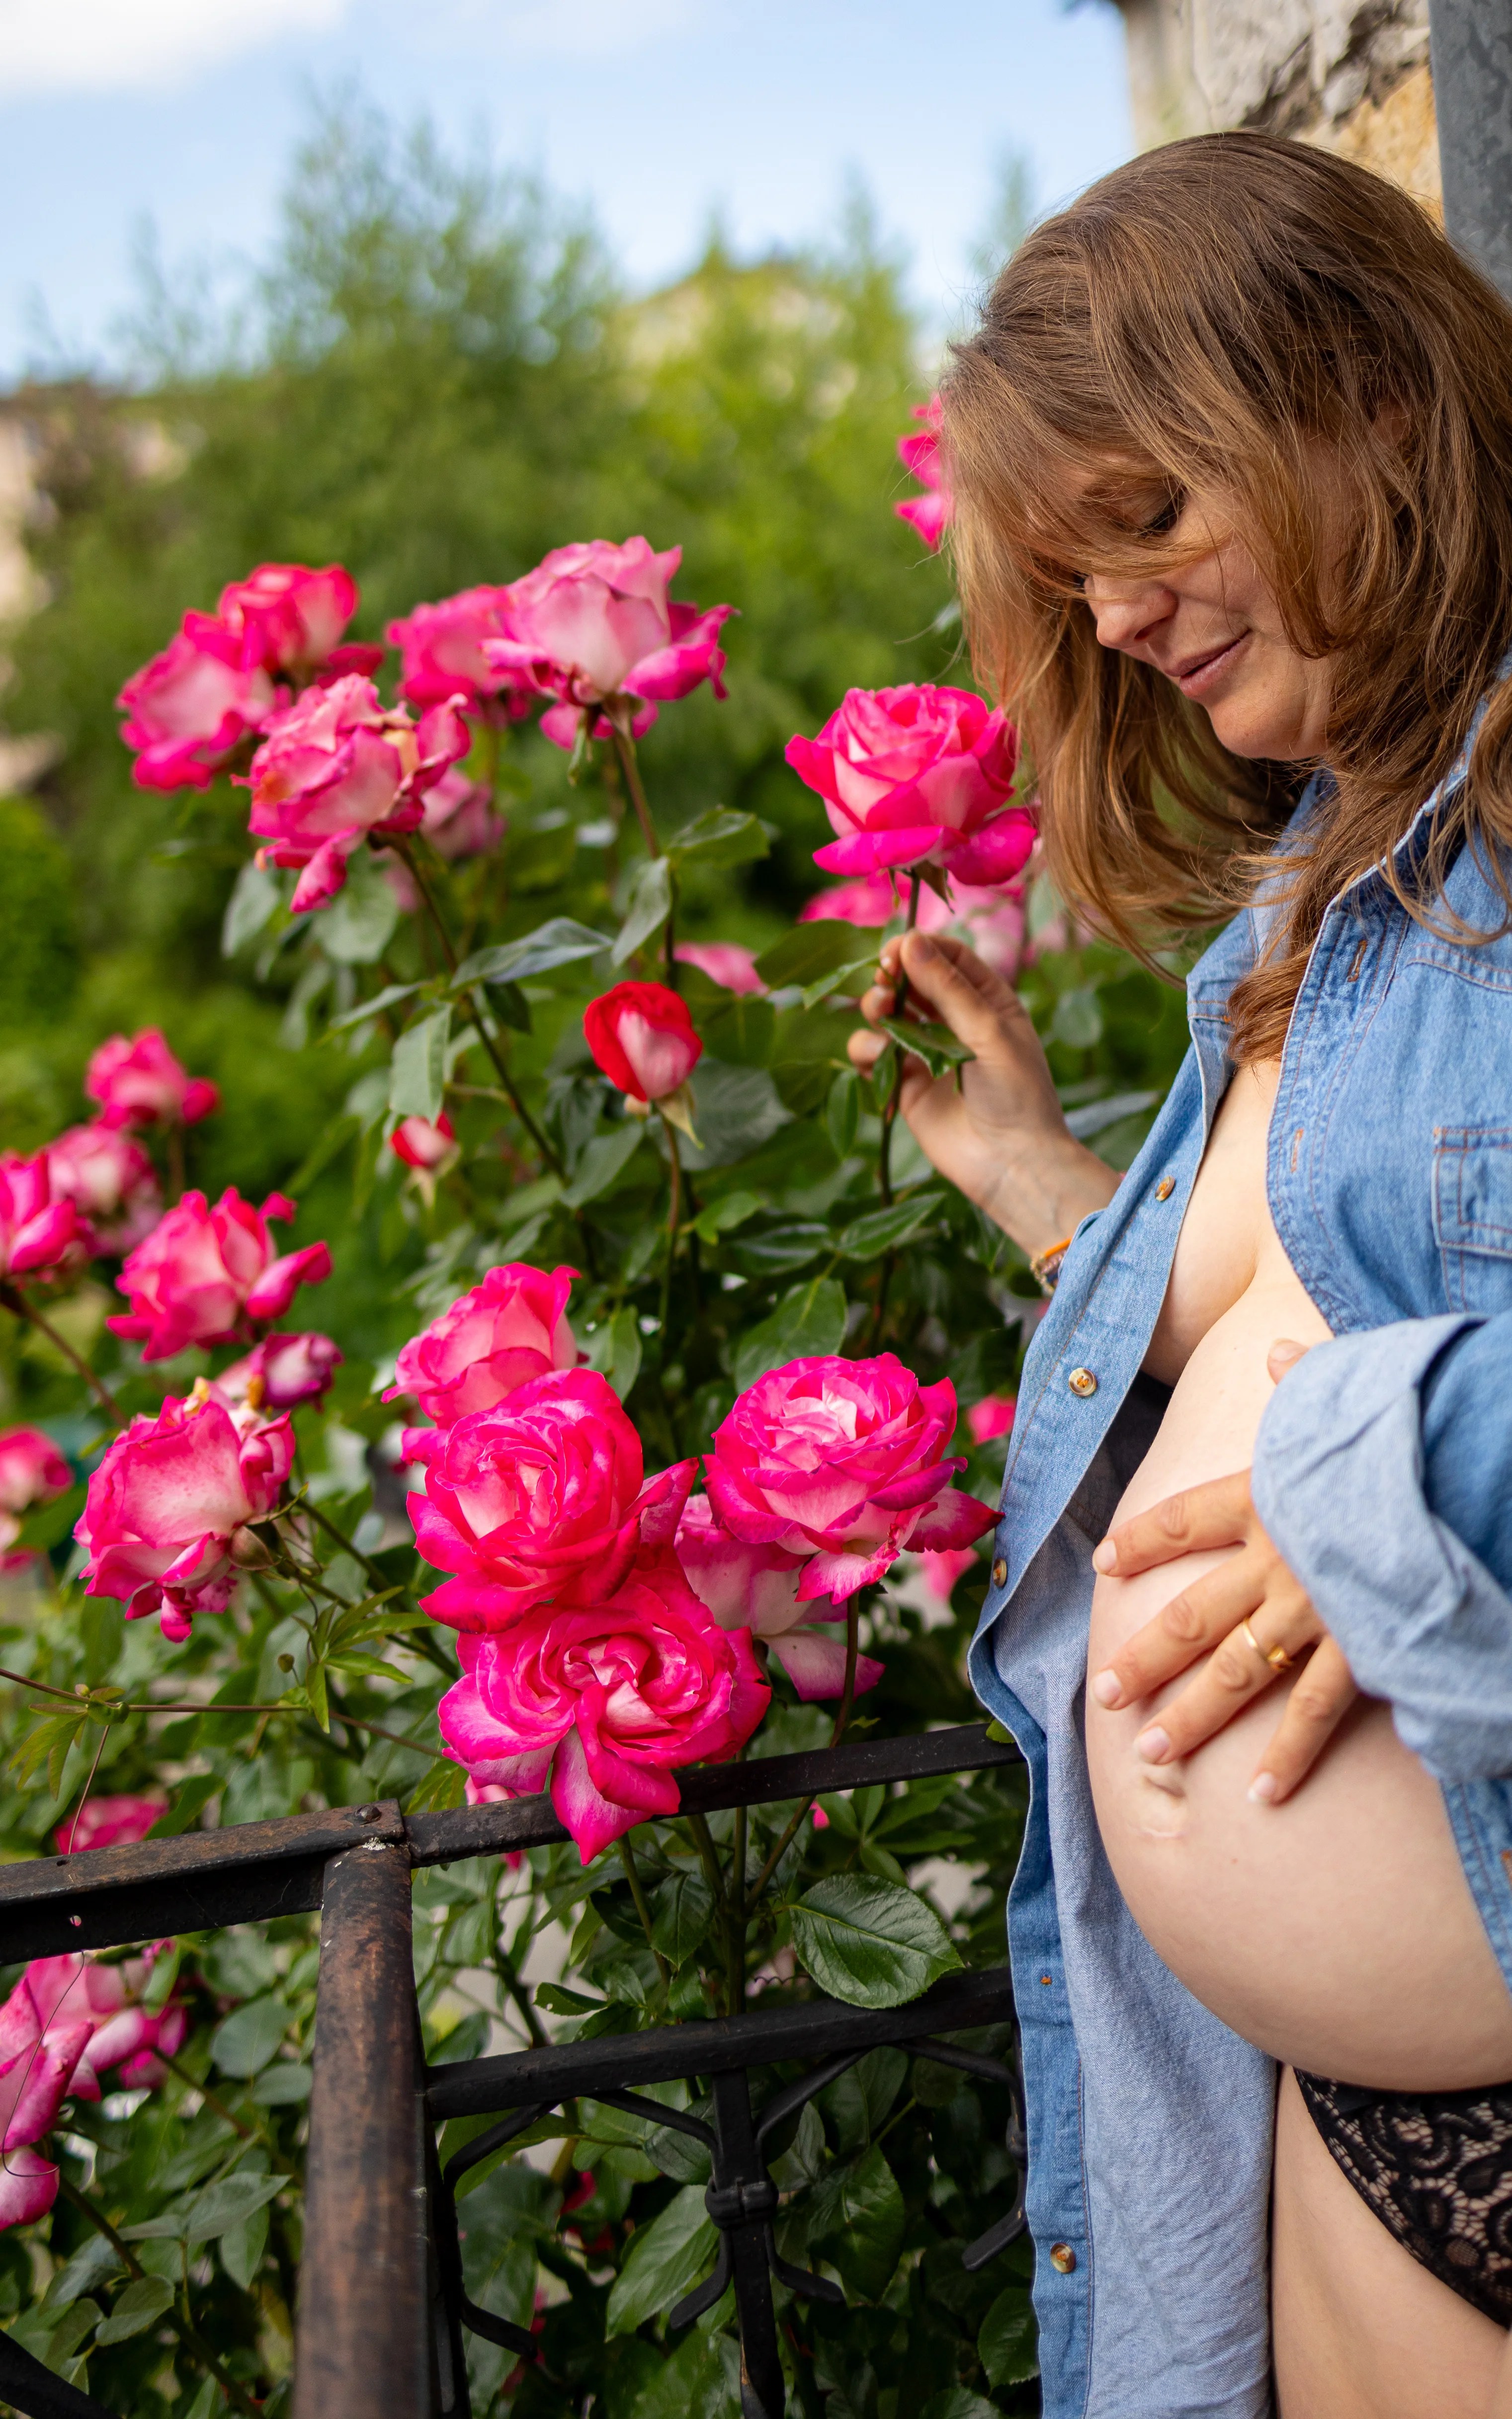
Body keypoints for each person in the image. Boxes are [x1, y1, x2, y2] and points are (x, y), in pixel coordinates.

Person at [849, 131, 1512, 2419]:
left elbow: (1383, 1416)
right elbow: (1286, 1322)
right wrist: (1039, 1175)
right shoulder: (1325, 883)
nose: (1114, 618)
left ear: (1362, 398)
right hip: (1337, 2117)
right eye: (1071, 572)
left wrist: (1408, 1487)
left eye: (1139, 524)